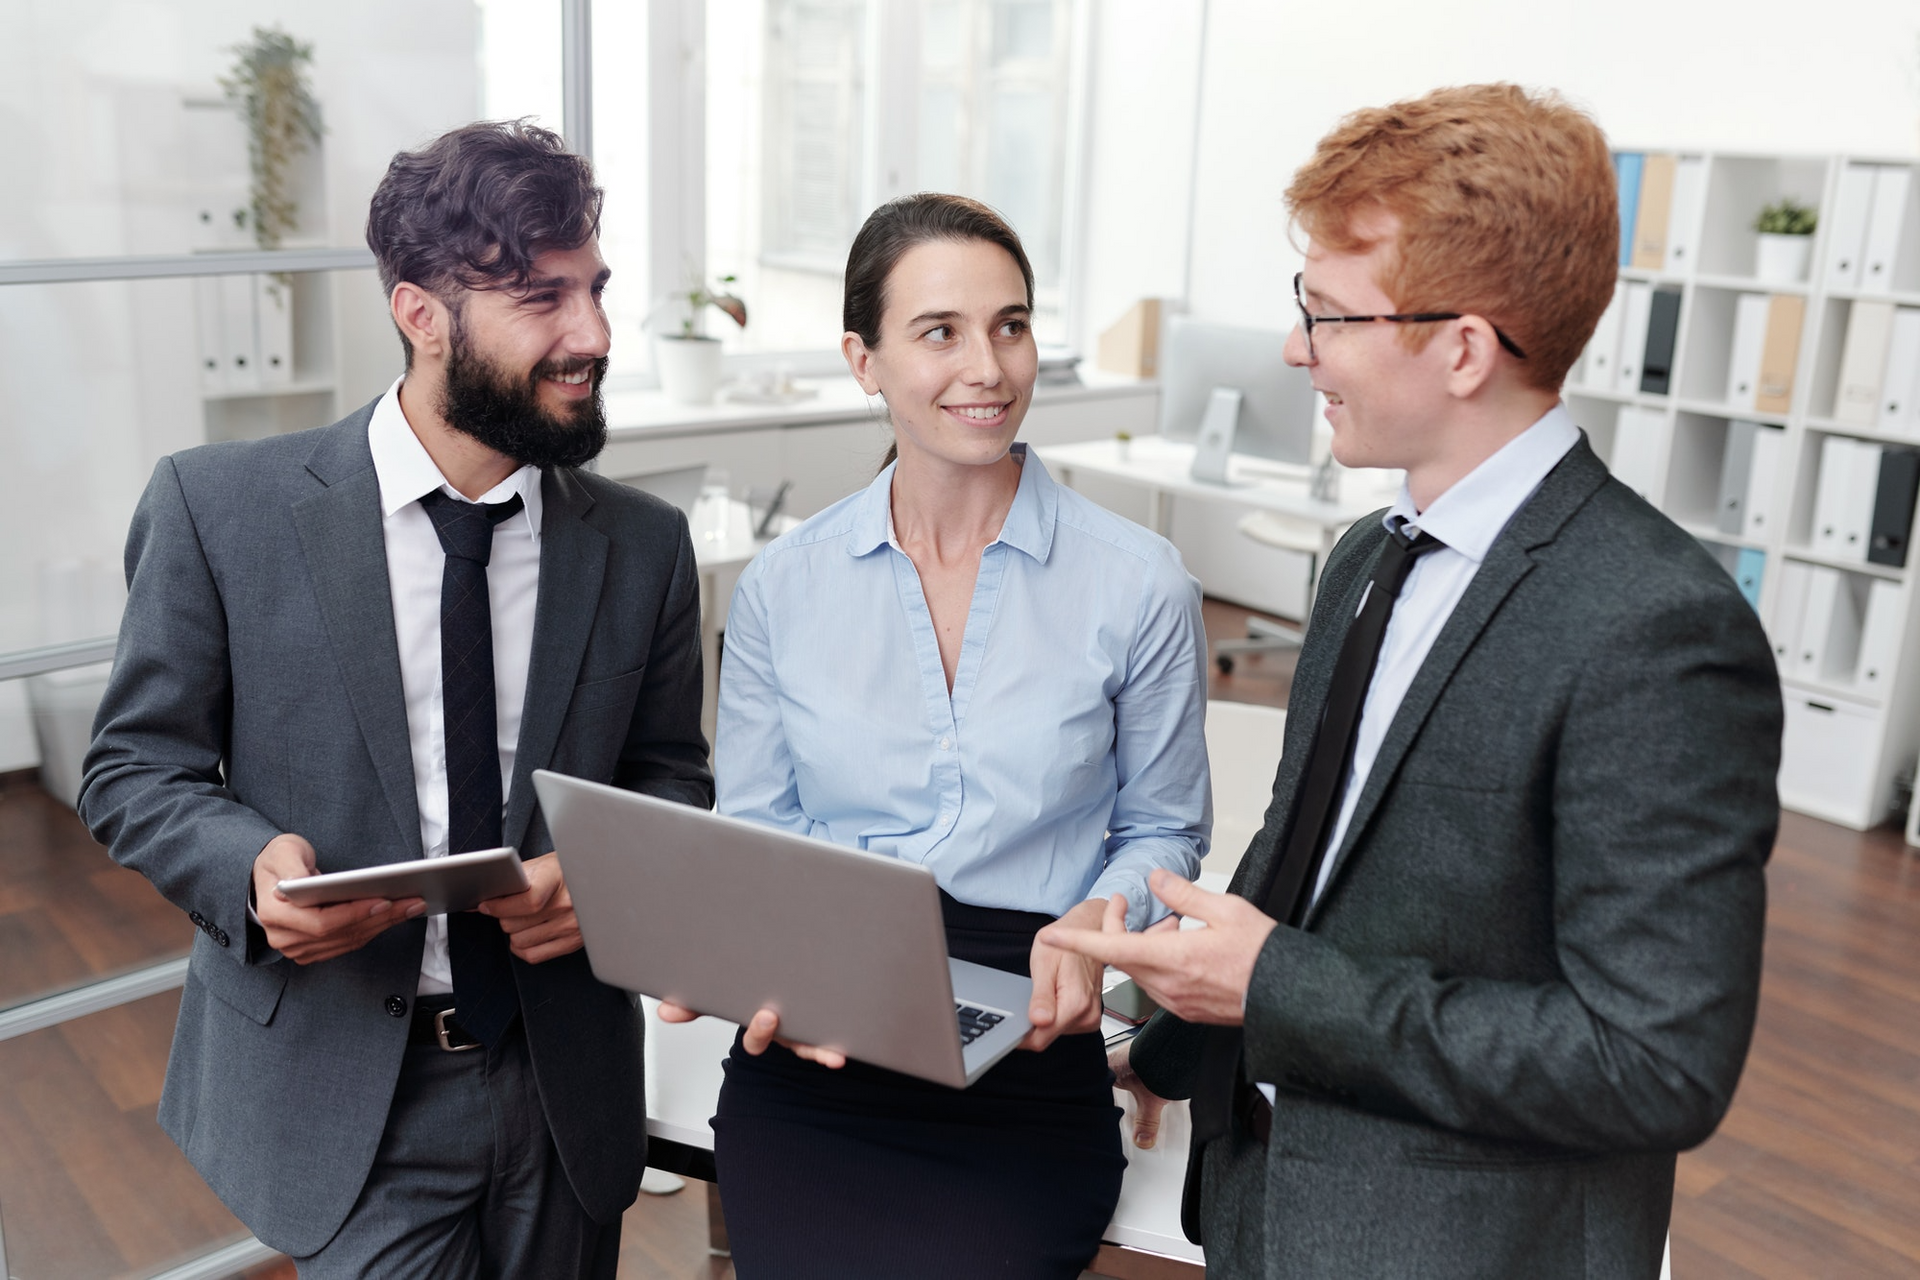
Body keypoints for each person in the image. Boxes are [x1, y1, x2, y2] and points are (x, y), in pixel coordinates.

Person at [1040, 84, 1782, 1279]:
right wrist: (1173, 1041)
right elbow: (1306, 855)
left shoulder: (1657, 627)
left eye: (1328, 314)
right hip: (1268, 1206)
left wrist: (1273, 986)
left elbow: (1655, 1061)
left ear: (1463, 348)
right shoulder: (1368, 558)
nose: (1296, 347)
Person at [79, 121, 712, 1276]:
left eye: (596, 290)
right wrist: (250, 865)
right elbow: (131, 769)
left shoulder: (644, 543)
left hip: (563, 1082)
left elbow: (671, 774)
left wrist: (612, 877)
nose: (593, 336)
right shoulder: (220, 511)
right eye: (541, 298)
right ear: (420, 313)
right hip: (348, 1090)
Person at [665, 192, 1211, 1279]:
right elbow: (760, 828)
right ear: (863, 360)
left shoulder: (1139, 580)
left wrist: (1099, 922)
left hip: (1031, 1032)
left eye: (1011, 325)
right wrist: (753, 957)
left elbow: (1162, 826)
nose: (990, 366)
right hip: (822, 1042)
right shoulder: (786, 584)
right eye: (941, 332)